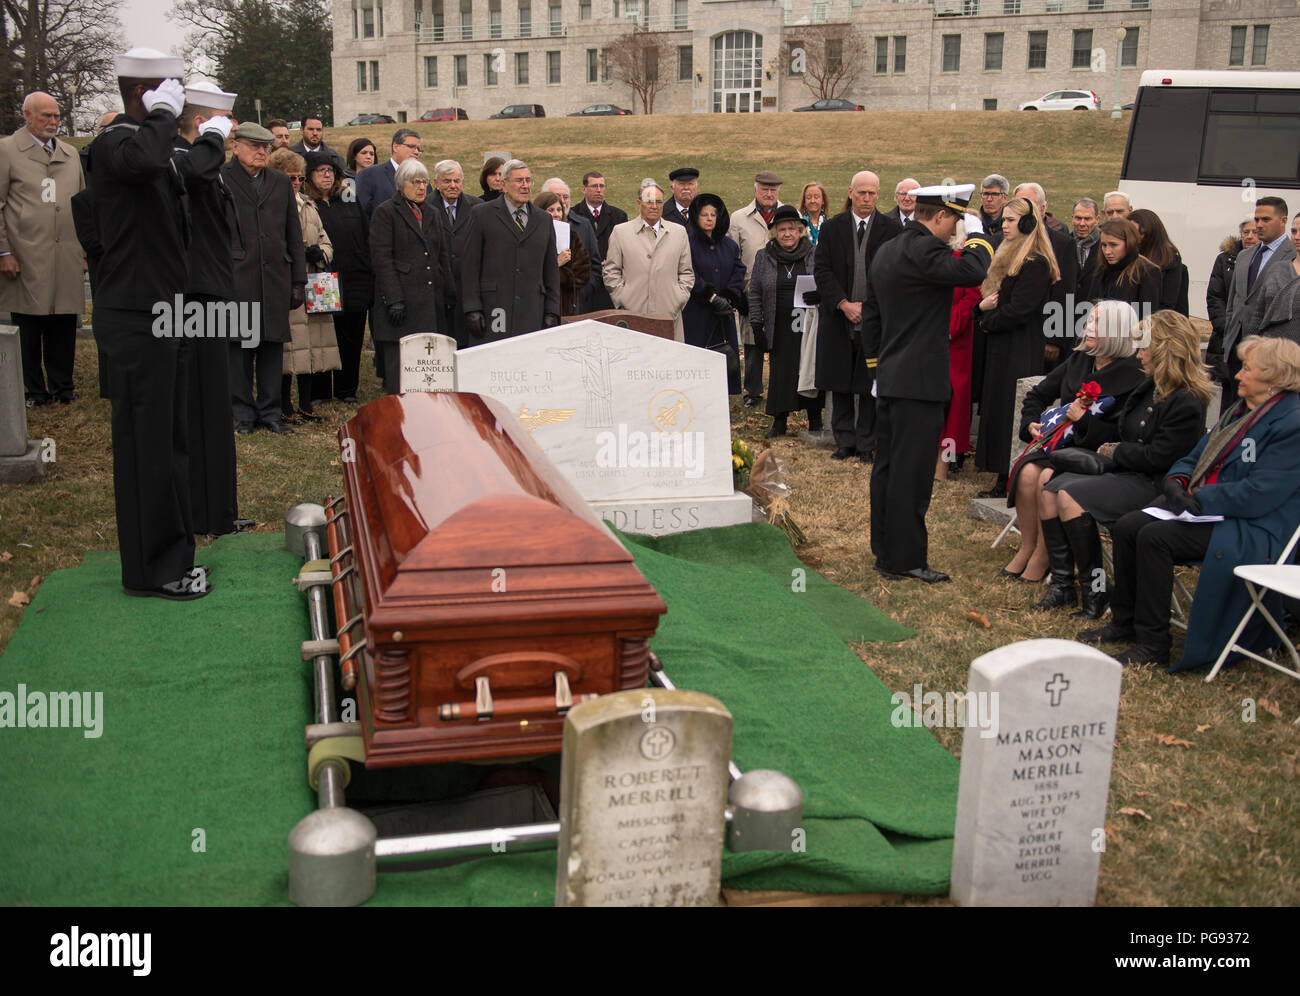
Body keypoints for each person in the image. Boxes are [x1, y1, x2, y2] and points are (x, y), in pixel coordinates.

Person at [1080, 335, 1300, 671]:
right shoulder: (1241, 410)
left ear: (1274, 379)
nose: (1237, 375)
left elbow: (1260, 493)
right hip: (1212, 511)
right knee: (1128, 526)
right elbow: (1194, 456)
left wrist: (1198, 498)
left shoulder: (1291, 423)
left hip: (1252, 526)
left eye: (1247, 369)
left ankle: (1153, 644)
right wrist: (1176, 484)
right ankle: (1126, 621)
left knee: (1155, 538)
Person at [84, 47, 205, 599]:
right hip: (136, 315)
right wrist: (159, 116)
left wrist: (208, 136)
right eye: (170, 91)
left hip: (166, 308)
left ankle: (174, 553)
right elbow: (146, 161)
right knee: (148, 445)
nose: (178, 102)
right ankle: (154, 569)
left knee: (171, 440)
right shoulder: (115, 144)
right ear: (144, 93)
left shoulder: (149, 147)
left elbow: (182, 170)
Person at [863, 182, 994, 583]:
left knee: (887, 467)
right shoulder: (925, 249)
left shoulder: (887, 249)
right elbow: (973, 270)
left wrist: (876, 368)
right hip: (919, 382)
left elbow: (871, 315)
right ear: (939, 216)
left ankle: (886, 550)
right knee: (913, 473)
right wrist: (979, 236)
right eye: (954, 219)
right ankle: (905, 559)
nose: (956, 228)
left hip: (891, 377)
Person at [1043, 310, 1211, 620]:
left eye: (1144, 347)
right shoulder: (1151, 386)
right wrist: (1101, 437)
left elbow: (1159, 458)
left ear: (1163, 349)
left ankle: (1094, 592)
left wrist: (1116, 451)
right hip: (1130, 473)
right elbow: (1125, 433)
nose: (1138, 354)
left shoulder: (1185, 400)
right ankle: (1064, 584)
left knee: (1068, 496)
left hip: (1152, 485)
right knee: (1051, 489)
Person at [1005, 300, 1145, 591]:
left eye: (1098, 323)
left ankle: (1045, 557)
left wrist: (1083, 422)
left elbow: (1122, 431)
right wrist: (1030, 423)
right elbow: (1037, 395)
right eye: (1089, 320)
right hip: (1061, 446)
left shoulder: (1134, 374)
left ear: (1118, 331)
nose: (1088, 327)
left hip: (1095, 454)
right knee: (1029, 472)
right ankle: (1028, 546)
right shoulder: (1080, 358)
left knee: (1046, 477)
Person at [171, 80, 242, 537]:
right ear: (203, 122)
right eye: (224, 126)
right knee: (198, 404)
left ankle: (219, 510)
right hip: (191, 294)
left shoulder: (204, 164)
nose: (231, 134)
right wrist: (212, 142)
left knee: (215, 404)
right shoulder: (181, 159)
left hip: (212, 290)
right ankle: (200, 510)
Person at [0, 91, 85, 408]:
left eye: (56, 116)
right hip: (26, 251)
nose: (52, 121)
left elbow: (81, 202)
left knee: (64, 320)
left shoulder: (68, 154)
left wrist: (85, 249)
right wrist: (3, 251)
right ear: (27, 116)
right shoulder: (7, 150)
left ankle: (63, 385)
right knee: (30, 322)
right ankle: (34, 389)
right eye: (45, 116)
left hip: (66, 251)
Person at [223, 121, 306, 435]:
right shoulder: (221, 179)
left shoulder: (279, 182)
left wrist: (298, 280)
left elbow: (292, 233)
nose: (261, 152)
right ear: (236, 145)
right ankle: (242, 414)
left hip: (274, 277)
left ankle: (270, 413)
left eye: (266, 147)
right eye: (255, 146)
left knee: (272, 348)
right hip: (236, 277)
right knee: (239, 350)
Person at [814, 170, 902, 462]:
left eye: (872, 193)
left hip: (875, 320)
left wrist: (870, 307)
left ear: (879, 194)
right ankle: (844, 441)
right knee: (839, 381)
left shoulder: (892, 230)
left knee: (868, 383)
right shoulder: (832, 228)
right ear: (850, 192)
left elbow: (894, 273)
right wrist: (843, 303)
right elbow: (822, 270)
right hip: (839, 317)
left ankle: (867, 443)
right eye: (861, 192)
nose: (866, 198)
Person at [973, 198, 1058, 496]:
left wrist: (987, 320)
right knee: (997, 405)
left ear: (1026, 224)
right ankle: (999, 472)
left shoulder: (1035, 262)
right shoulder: (1010, 254)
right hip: (1001, 344)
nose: (1004, 225)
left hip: (1019, 346)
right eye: (1004, 220)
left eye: (1011, 220)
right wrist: (983, 312)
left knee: (1010, 407)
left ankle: (1009, 474)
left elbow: (1020, 309)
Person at [369, 157, 455, 391]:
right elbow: (382, 260)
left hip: (429, 297)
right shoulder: (386, 212)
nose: (421, 188)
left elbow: (441, 255)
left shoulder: (433, 213)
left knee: (428, 361)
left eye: (424, 182)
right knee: (400, 366)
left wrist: (449, 290)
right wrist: (394, 299)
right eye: (415, 182)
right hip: (402, 299)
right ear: (401, 183)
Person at [270, 148, 340, 423]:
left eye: (299, 178)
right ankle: (285, 404)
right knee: (289, 347)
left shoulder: (309, 206)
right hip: (287, 283)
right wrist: (298, 253)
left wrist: (320, 253)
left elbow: (326, 241)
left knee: (313, 344)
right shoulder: (272, 207)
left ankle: (307, 403)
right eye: (290, 178)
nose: (296, 183)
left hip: (314, 282)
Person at [461, 159, 560, 342]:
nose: (525, 186)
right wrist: (472, 307)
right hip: (494, 310)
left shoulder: (543, 220)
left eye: (528, 180)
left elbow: (551, 270)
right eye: (519, 181)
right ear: (504, 185)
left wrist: (552, 310)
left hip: (532, 311)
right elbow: (470, 265)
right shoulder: (481, 214)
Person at [749, 205, 821, 437]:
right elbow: (755, 292)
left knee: (808, 367)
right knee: (781, 371)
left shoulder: (813, 253)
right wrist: (756, 323)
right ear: (774, 233)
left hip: (808, 322)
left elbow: (826, 281)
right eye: (782, 230)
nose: (787, 233)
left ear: (800, 230)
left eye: (792, 228)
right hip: (778, 323)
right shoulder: (764, 256)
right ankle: (780, 420)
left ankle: (815, 419)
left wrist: (820, 295)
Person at [307, 150, 371, 403]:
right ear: (308, 176)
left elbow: (365, 237)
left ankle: (346, 390)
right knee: (323, 334)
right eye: (320, 170)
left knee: (352, 336)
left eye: (330, 170)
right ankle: (320, 391)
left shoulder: (349, 200)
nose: (326, 174)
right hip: (322, 278)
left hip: (354, 278)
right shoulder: (305, 204)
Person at [603, 180, 694, 342]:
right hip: (633, 314)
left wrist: (677, 299)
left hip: (669, 314)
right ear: (639, 203)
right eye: (649, 202)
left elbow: (686, 272)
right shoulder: (621, 232)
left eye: (659, 202)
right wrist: (623, 298)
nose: (654, 206)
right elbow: (611, 272)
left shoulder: (678, 233)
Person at [1223, 197, 1296, 375]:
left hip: (1268, 351)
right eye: (1257, 219)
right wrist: (1227, 340)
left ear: (1283, 220)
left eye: (1266, 219)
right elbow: (1234, 301)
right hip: (1234, 346)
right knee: (1230, 402)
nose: (1259, 225)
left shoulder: (1293, 257)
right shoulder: (1244, 256)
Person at [733, 171, 785, 406]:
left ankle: (780, 389)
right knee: (752, 342)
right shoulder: (739, 218)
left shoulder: (787, 215)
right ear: (755, 190)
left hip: (780, 289)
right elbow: (734, 258)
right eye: (764, 189)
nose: (769, 193)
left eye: (773, 189)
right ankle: (753, 392)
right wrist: (738, 294)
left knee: (781, 343)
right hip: (750, 290)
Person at [1015, 181, 1078, 365]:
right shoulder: (1003, 240)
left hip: (1042, 332)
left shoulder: (1062, 244)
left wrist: (1055, 337)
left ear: (1043, 208)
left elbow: (1065, 292)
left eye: (1029, 204)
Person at [937, 231, 983, 482]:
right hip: (927, 344)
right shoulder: (927, 260)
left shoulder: (963, 264)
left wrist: (948, 327)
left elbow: (971, 302)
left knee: (952, 411)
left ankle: (943, 467)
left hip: (955, 346)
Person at [682, 192, 744, 360]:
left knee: (727, 361)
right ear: (696, 217)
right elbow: (688, 272)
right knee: (699, 359)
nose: (709, 218)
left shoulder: (729, 245)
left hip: (724, 313)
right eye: (704, 214)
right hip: (698, 312)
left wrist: (729, 296)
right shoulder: (687, 243)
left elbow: (739, 270)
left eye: (713, 215)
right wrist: (710, 296)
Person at [432, 159, 481, 347]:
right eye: (447, 181)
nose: (453, 185)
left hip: (467, 290)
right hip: (438, 289)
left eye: (457, 180)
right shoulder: (426, 208)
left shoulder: (477, 207)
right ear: (436, 183)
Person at [1206, 219, 1257, 384]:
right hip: (1224, 336)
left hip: (1253, 338)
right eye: (1245, 232)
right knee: (1225, 394)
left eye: (1254, 232)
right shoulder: (1225, 260)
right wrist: (1227, 327)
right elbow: (1215, 297)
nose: (1249, 236)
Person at [541, 177, 603, 312]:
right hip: (543, 303)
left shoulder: (583, 226)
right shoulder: (534, 233)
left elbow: (594, 266)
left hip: (575, 303)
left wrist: (580, 293)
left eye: (566, 197)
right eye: (557, 197)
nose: (563, 201)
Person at [534, 189, 591, 317]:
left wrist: (560, 274)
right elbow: (531, 274)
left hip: (566, 307)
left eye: (559, 210)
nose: (556, 214)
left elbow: (583, 275)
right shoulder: (532, 238)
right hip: (539, 306)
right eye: (551, 210)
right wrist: (556, 264)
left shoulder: (572, 236)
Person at [1089, 218, 1162, 315]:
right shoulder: (1102, 269)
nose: (1107, 251)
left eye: (1113, 245)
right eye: (1104, 245)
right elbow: (1090, 306)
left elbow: (1147, 317)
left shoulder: (1147, 272)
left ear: (1129, 243)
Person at [1129, 208, 1190, 315]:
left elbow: (1168, 303)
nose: (1135, 237)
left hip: (1154, 322)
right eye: (1131, 232)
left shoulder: (1170, 260)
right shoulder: (1127, 256)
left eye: (1140, 233)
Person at [355, 128, 422, 220]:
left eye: (419, 149)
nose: (416, 152)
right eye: (411, 147)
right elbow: (360, 214)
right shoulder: (369, 175)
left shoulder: (422, 180)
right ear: (395, 147)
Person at [1258, 212, 1300, 342]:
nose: (1297, 237)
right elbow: (1258, 314)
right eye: (1293, 231)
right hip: (1272, 351)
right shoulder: (1277, 269)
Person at [571, 170, 627, 261]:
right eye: (594, 186)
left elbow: (624, 247)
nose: (598, 190)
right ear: (583, 189)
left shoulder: (619, 216)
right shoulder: (573, 215)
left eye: (601, 186)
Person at [1071, 197, 1101, 300]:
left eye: (1087, 219)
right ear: (1072, 218)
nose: (1082, 224)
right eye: (1078, 218)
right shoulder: (1064, 244)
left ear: (1097, 220)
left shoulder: (1105, 245)